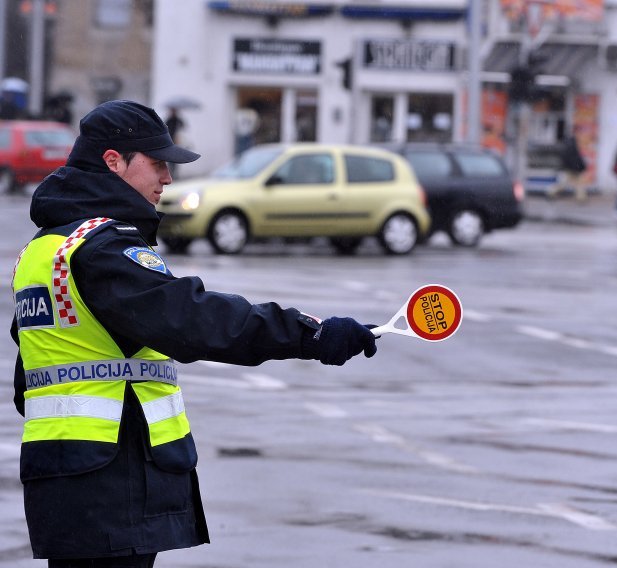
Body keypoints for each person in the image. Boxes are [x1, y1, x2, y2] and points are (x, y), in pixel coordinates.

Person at [10, 100, 378, 567]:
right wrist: (312, 334)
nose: (167, 178)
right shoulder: (102, 248)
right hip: (112, 479)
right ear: (113, 162)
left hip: (63, 481)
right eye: (157, 163)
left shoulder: (44, 252)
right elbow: (193, 320)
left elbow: (32, 378)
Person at [553, 126, 588, 201]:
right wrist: (578, 165)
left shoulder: (569, 141)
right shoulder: (572, 142)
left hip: (571, 167)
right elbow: (574, 156)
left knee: (577, 182)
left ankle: (581, 197)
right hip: (572, 167)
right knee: (567, 183)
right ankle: (551, 192)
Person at [163, 106, 185, 178]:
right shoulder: (169, 120)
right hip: (170, 141)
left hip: (176, 141)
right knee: (170, 159)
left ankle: (175, 174)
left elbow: (183, 126)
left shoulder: (178, 120)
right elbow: (164, 127)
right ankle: (171, 174)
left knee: (176, 159)